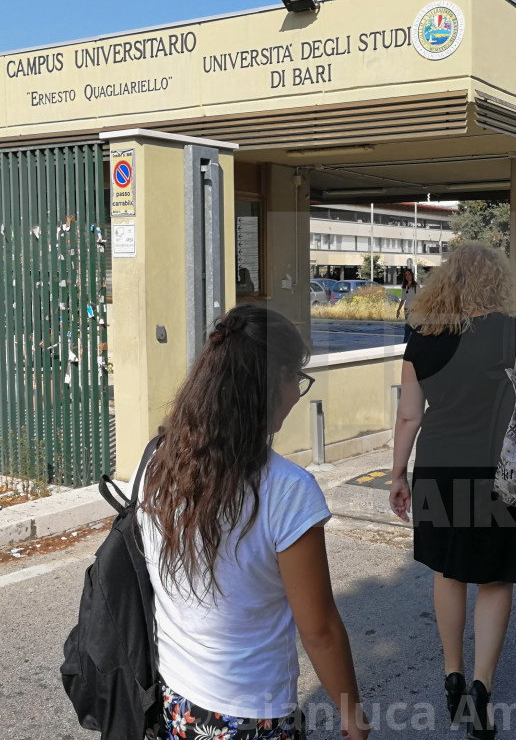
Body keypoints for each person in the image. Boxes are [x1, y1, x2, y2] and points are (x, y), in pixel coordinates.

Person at [136, 305, 368, 740]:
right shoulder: (288, 491)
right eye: (295, 379)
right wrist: (352, 716)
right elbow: (319, 629)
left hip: (175, 699)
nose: (297, 394)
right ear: (271, 383)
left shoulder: (155, 461)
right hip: (252, 714)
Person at [388, 242, 516, 740]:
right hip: (494, 472)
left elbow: (409, 414)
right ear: (494, 281)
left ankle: (452, 674)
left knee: (449, 570)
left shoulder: (422, 334)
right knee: (494, 579)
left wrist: (397, 473)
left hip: (437, 469)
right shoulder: (510, 330)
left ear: (448, 281)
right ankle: (481, 689)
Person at [396, 268, 420, 344]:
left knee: (409, 327)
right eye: (406, 275)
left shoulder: (416, 286)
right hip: (406, 309)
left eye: (409, 274)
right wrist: (398, 309)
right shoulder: (404, 286)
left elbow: (420, 298)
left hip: (414, 310)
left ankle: (406, 342)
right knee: (410, 326)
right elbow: (403, 299)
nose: (407, 276)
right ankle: (410, 343)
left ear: (412, 275)